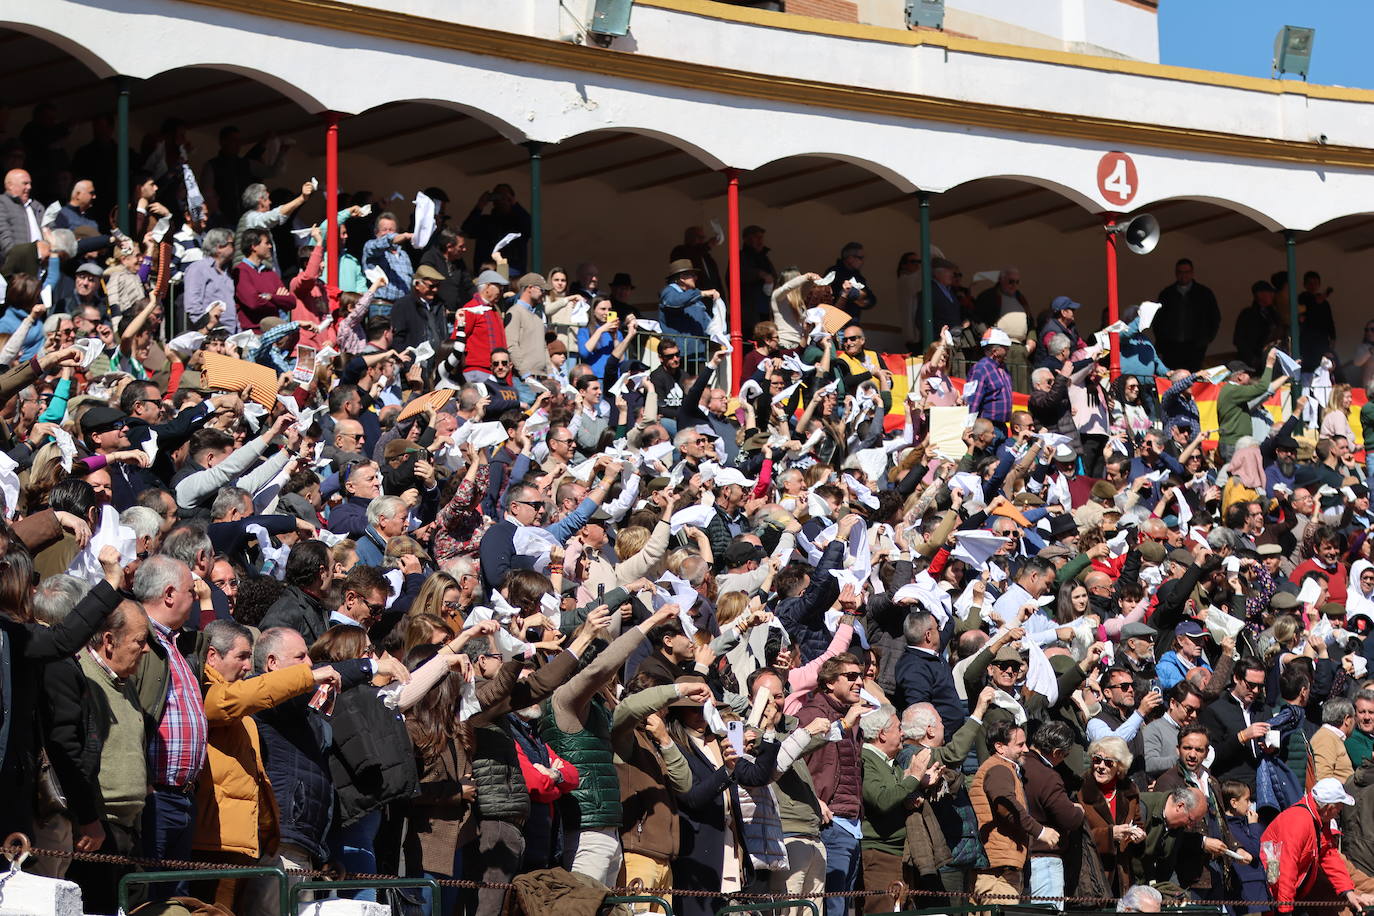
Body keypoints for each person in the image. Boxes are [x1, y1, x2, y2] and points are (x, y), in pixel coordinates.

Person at [1261, 778, 1374, 913]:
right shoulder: (1297, 821)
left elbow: (1329, 855)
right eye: (1338, 809)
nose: (1338, 813)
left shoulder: (1320, 820)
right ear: (1329, 808)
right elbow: (1287, 868)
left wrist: (1348, 892)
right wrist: (1285, 910)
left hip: (1295, 892)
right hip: (1274, 895)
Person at [1154, 258, 1221, 371]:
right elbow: (1158, 320)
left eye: (1186, 272)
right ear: (1176, 273)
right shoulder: (1167, 294)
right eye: (1180, 272)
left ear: (1192, 273)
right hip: (1171, 347)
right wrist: (1162, 341)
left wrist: (1205, 340)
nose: (1183, 275)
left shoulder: (1204, 293)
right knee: (1171, 376)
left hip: (1195, 346)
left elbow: (1214, 318)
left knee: (1193, 377)